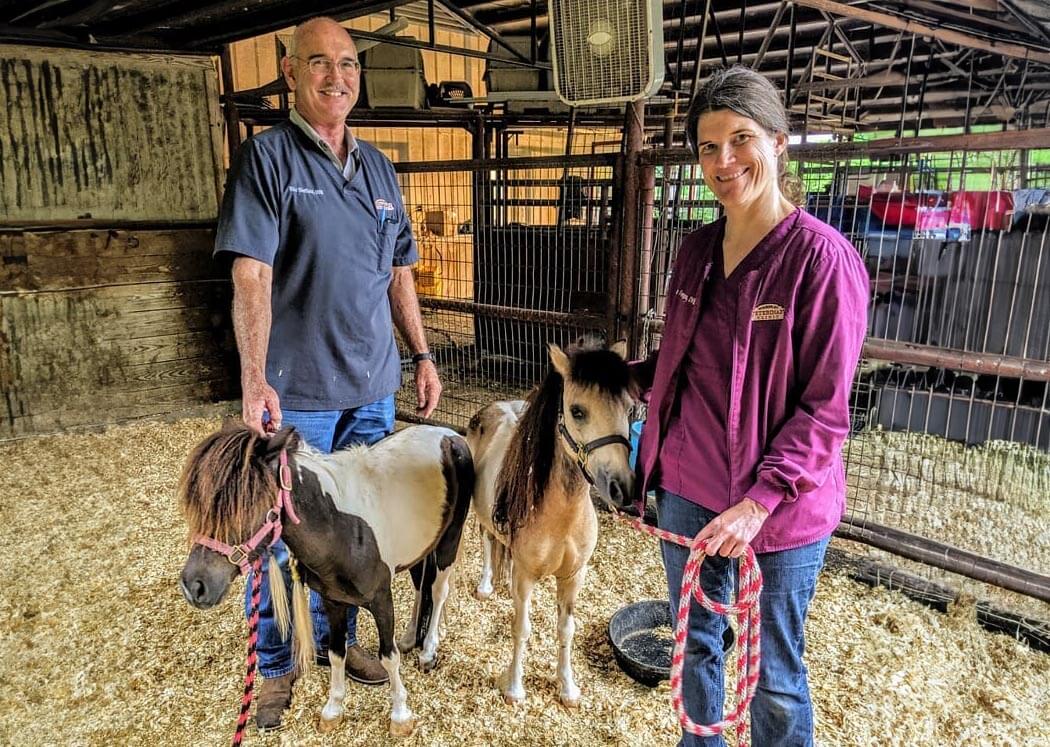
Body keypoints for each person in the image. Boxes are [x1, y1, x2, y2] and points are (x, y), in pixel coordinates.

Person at [213, 17, 442, 732]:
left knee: (354, 535)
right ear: (289, 73)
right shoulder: (268, 160)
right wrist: (255, 379)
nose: (336, 76)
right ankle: (277, 664)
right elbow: (251, 273)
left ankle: (335, 644)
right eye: (319, 63)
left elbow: (399, 272)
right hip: (299, 393)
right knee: (278, 538)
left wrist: (423, 353)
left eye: (347, 63)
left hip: (371, 387)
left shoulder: (378, 167)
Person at [630, 66, 869, 747]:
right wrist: (609, 381)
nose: (724, 161)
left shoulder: (822, 261)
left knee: (774, 673)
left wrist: (760, 499)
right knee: (696, 643)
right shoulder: (698, 251)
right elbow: (678, 362)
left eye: (740, 139)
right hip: (691, 490)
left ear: (778, 141)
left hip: (782, 511)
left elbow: (825, 409)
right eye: (708, 147)